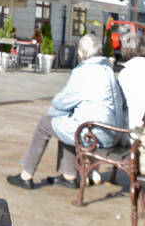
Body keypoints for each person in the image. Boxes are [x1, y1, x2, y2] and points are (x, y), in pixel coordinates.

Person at [8, 34, 125, 190]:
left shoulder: (83, 72)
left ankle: (26, 175)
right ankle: (69, 176)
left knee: (45, 123)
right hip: (113, 131)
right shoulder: (108, 70)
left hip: (96, 134)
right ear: (100, 50)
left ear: (79, 53)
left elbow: (62, 102)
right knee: (64, 121)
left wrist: (54, 104)